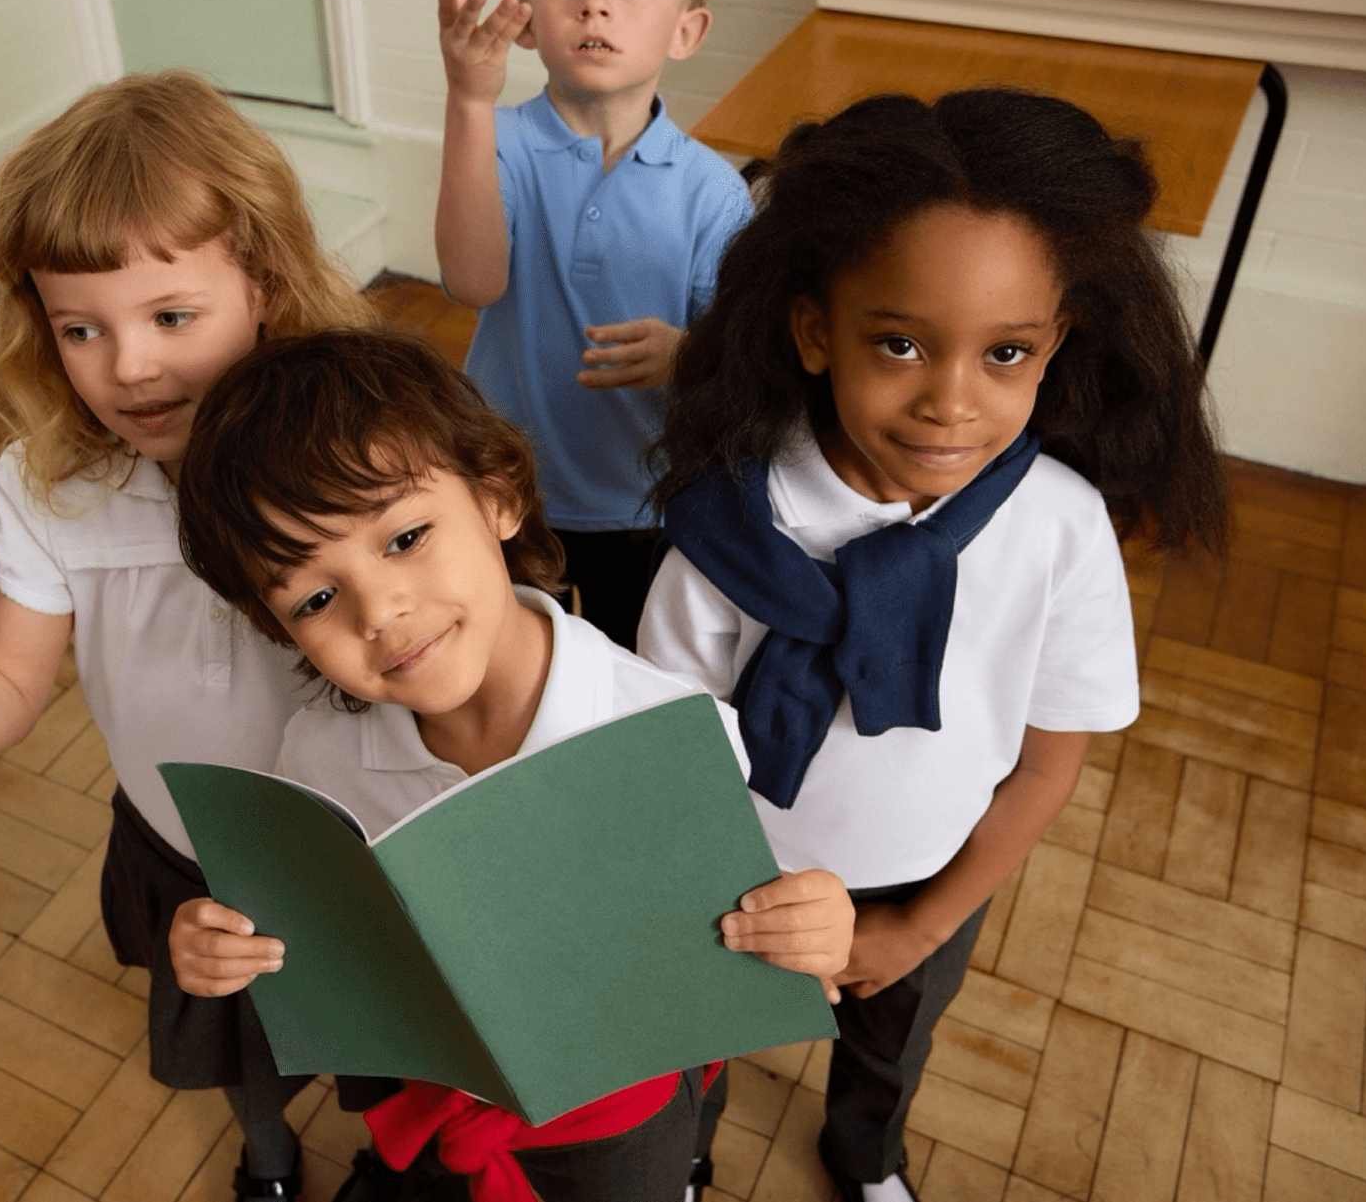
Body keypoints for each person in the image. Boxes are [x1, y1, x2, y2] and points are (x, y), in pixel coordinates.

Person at [639, 89, 1229, 1202]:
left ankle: (866, 1157)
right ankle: (686, 1154)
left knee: (891, 1050)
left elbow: (1048, 763)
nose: (951, 403)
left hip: (937, 873)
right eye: (900, 344)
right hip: (738, 877)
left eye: (1005, 352)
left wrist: (918, 926)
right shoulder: (727, 532)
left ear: (1055, 345)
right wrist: (737, 895)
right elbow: (663, 762)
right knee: (698, 1040)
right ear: (815, 331)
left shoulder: (1059, 531)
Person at [0, 71, 382, 1201]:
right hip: (183, 850)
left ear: (264, 282)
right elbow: (7, 687)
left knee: (381, 1054)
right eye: (81, 328)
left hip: (355, 843)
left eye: (172, 316)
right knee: (239, 1051)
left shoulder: (358, 447)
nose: (129, 366)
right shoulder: (45, 487)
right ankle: (268, 1158)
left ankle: (389, 1159)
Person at [168, 328, 854, 1202]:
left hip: (618, 1107)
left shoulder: (666, 732)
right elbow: (310, 929)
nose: (378, 611)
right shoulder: (318, 750)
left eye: (405, 536)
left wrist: (812, 922)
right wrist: (223, 942)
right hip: (432, 1084)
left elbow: (749, 911)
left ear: (498, 495)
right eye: (316, 597)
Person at [435, 0, 751, 650]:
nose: (595, 3)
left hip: (644, 502)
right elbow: (472, 281)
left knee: (631, 669)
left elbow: (743, 356)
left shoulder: (712, 192)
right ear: (525, 20)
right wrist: (468, 102)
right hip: (505, 488)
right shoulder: (495, 139)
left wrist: (688, 353)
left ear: (686, 31)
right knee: (506, 659)